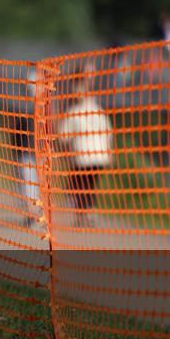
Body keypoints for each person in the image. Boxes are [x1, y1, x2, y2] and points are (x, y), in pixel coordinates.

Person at [57, 69, 113, 228]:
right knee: (90, 185)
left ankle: (82, 214)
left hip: (82, 156)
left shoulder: (74, 112)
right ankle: (88, 212)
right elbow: (108, 133)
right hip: (100, 156)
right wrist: (109, 152)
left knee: (80, 186)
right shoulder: (99, 111)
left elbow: (63, 136)